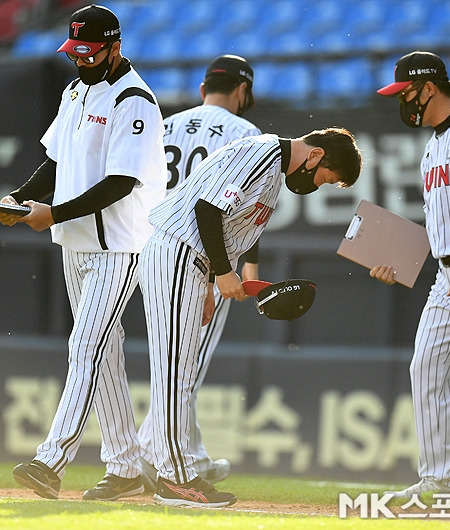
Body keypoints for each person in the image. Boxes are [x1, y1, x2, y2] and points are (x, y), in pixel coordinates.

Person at [138, 127, 362, 507]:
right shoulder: (261, 153)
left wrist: (210, 282)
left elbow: (232, 224)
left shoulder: (274, 169)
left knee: (181, 371)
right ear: (315, 156)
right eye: (326, 177)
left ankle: (170, 468)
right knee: (175, 371)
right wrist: (225, 273)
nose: (319, 185)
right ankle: (175, 478)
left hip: (193, 262)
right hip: (177, 253)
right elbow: (207, 210)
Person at [1, 4, 167, 501]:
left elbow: (121, 182)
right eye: (75, 52)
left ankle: (51, 459)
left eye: (90, 53)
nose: (81, 61)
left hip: (122, 242)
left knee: (84, 345)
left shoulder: (135, 100)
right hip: (77, 242)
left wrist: (50, 213)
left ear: (114, 46)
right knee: (104, 354)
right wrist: (20, 199)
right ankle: (126, 468)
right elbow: (55, 160)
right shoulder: (75, 89)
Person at [373, 50, 450, 499]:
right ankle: (438, 483)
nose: (402, 102)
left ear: (428, 87)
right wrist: (398, 263)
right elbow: (443, 226)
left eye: (405, 92)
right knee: (426, 368)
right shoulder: (432, 147)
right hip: (448, 276)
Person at [137, 54, 262, 491]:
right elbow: (241, 208)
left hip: (151, 248)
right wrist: (231, 273)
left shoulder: (166, 124)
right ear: (242, 90)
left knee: (174, 364)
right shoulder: (247, 133)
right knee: (184, 368)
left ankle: (190, 455)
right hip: (203, 258)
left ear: (203, 86)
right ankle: (156, 459)